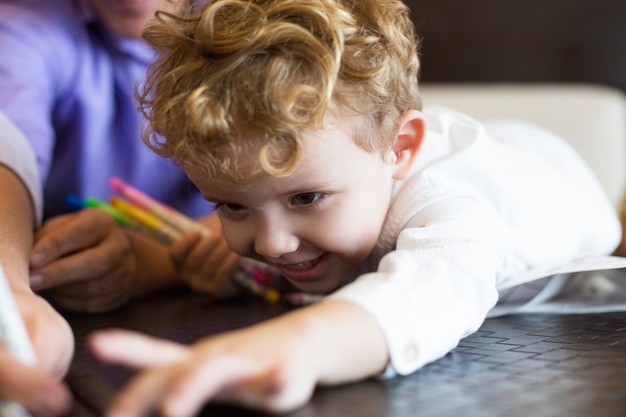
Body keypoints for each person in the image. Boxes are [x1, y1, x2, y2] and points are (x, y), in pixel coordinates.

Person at [87, 0, 621, 415]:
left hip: (558, 174)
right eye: (232, 206)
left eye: (305, 198)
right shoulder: (343, 166)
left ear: (400, 150)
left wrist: (290, 348)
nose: (271, 244)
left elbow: (423, 297)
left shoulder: (451, 207)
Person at [0, 0, 239, 415]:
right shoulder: (24, 24)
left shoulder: (262, 19)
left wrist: (151, 260)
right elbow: (7, 147)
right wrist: (10, 291)